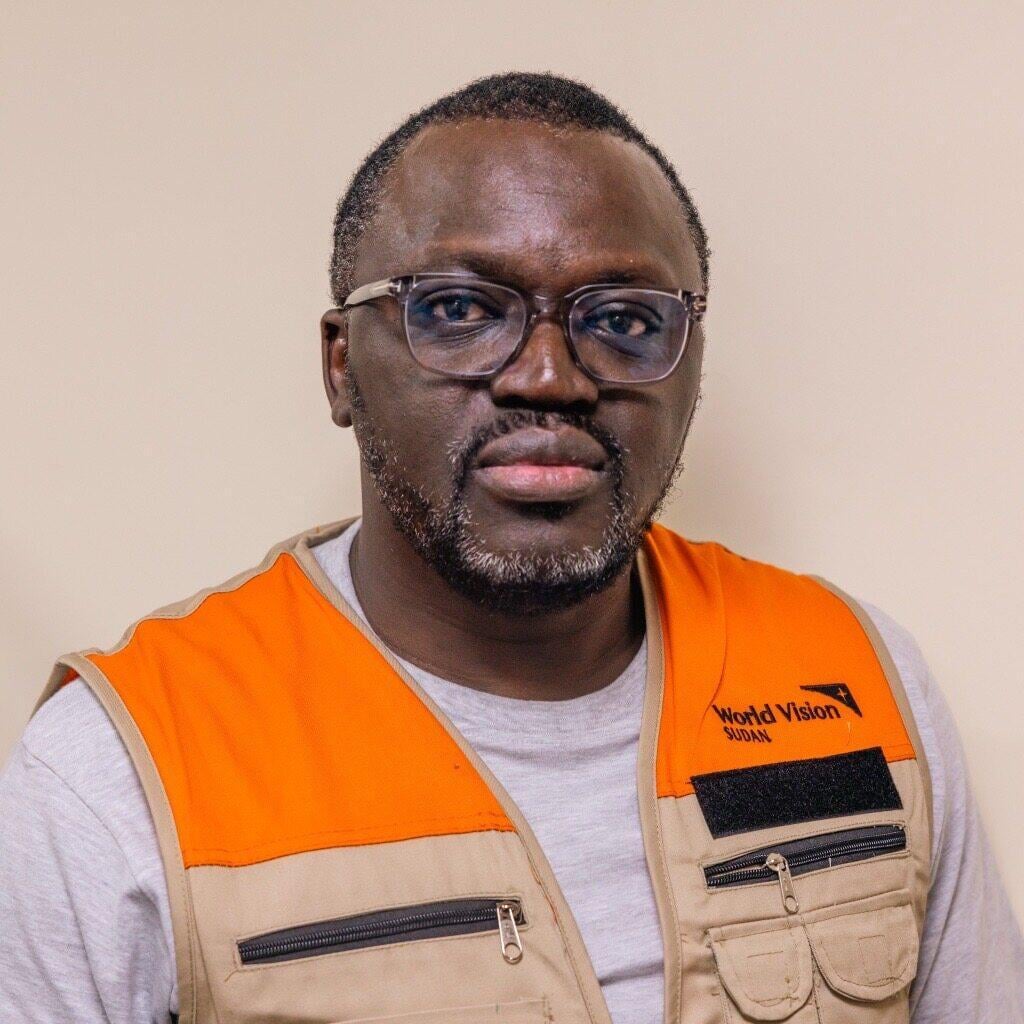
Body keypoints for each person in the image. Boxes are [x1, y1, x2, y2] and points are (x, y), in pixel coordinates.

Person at [1, 71, 1021, 1024]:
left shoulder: (859, 677)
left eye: (621, 318)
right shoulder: (122, 770)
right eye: (457, 309)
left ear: (692, 363)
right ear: (340, 365)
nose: (548, 375)